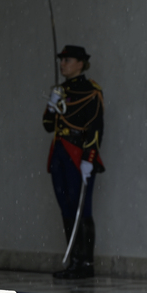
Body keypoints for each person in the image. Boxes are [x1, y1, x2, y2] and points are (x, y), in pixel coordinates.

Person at [42, 45, 105, 279]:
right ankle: (74, 262)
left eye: (67, 60)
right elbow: (49, 126)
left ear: (80, 63)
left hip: (79, 155)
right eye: (62, 60)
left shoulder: (91, 90)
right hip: (59, 154)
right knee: (67, 209)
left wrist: (89, 159)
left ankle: (86, 263)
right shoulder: (59, 90)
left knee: (82, 210)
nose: (63, 64)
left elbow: (96, 128)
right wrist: (51, 106)